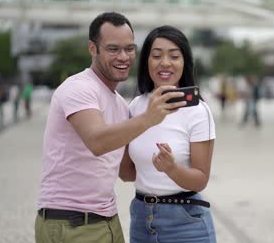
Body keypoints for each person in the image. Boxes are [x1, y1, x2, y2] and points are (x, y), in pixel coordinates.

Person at [35, 13, 186, 243]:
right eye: (113, 49)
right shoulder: (79, 88)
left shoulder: (119, 103)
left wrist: (176, 167)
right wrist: (148, 118)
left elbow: (126, 172)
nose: (123, 57)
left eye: (129, 48)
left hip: (107, 220)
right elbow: (97, 142)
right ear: (92, 49)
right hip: (72, 222)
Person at [119, 25, 217, 243]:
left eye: (174, 56)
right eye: (156, 56)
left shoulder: (198, 112)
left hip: (186, 224)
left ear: (185, 63)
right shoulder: (136, 106)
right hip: (141, 221)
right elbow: (127, 174)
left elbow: (200, 181)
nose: (165, 63)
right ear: (147, 62)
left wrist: (171, 169)